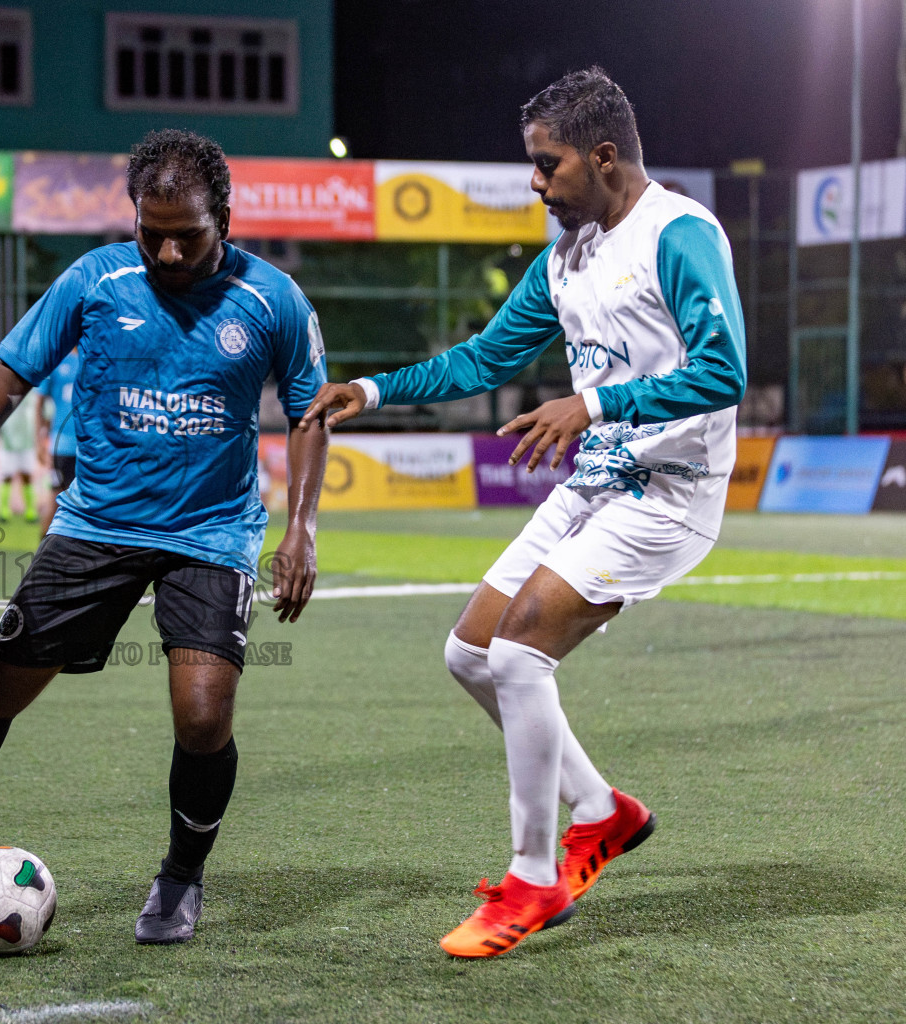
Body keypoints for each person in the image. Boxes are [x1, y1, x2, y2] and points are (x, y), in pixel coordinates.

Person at [0, 129, 329, 945]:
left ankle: (180, 877)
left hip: (213, 530)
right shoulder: (96, 279)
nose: (164, 250)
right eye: (148, 230)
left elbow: (309, 413)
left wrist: (300, 527)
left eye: (185, 235)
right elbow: (16, 365)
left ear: (223, 218)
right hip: (97, 524)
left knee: (203, 716)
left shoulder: (273, 300)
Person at [303, 67, 745, 958]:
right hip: (597, 484)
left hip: (670, 493)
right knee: (469, 652)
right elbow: (480, 359)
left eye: (549, 166)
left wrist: (595, 406)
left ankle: (535, 880)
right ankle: (602, 812)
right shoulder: (567, 258)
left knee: (518, 651)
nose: (535, 184)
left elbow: (724, 369)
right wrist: (372, 388)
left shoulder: (681, 235)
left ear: (605, 156)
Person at [33, 346, 80, 536]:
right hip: (64, 446)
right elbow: (39, 402)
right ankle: (42, 551)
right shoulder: (59, 361)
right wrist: (39, 440)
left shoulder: (94, 358)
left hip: (88, 446)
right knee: (57, 498)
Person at [0, 396, 39, 524]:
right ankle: (3, 511)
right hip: (8, 442)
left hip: (28, 441)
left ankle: (31, 511)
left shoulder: (33, 391)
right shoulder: (6, 391)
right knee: (7, 476)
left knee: (27, 476)